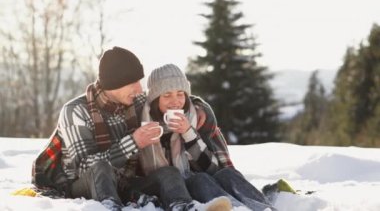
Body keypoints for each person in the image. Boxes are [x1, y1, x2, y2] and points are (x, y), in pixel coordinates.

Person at [56, 47, 228, 211]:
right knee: (101, 168)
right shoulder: (75, 111)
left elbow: (166, 98)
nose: (139, 89)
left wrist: (198, 108)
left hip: (127, 183)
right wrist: (134, 142)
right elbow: (85, 167)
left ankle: (182, 206)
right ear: (114, 83)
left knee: (168, 173)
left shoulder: (136, 102)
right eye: (133, 82)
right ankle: (109, 207)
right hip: (85, 185)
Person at [139, 63, 276, 211]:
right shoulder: (142, 124)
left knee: (227, 174)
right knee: (199, 179)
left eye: (180, 94)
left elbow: (215, 169)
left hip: (203, 183)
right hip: (172, 191)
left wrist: (189, 134)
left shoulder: (197, 118)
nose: (175, 101)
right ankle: (234, 208)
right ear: (154, 99)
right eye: (167, 95)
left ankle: (264, 208)